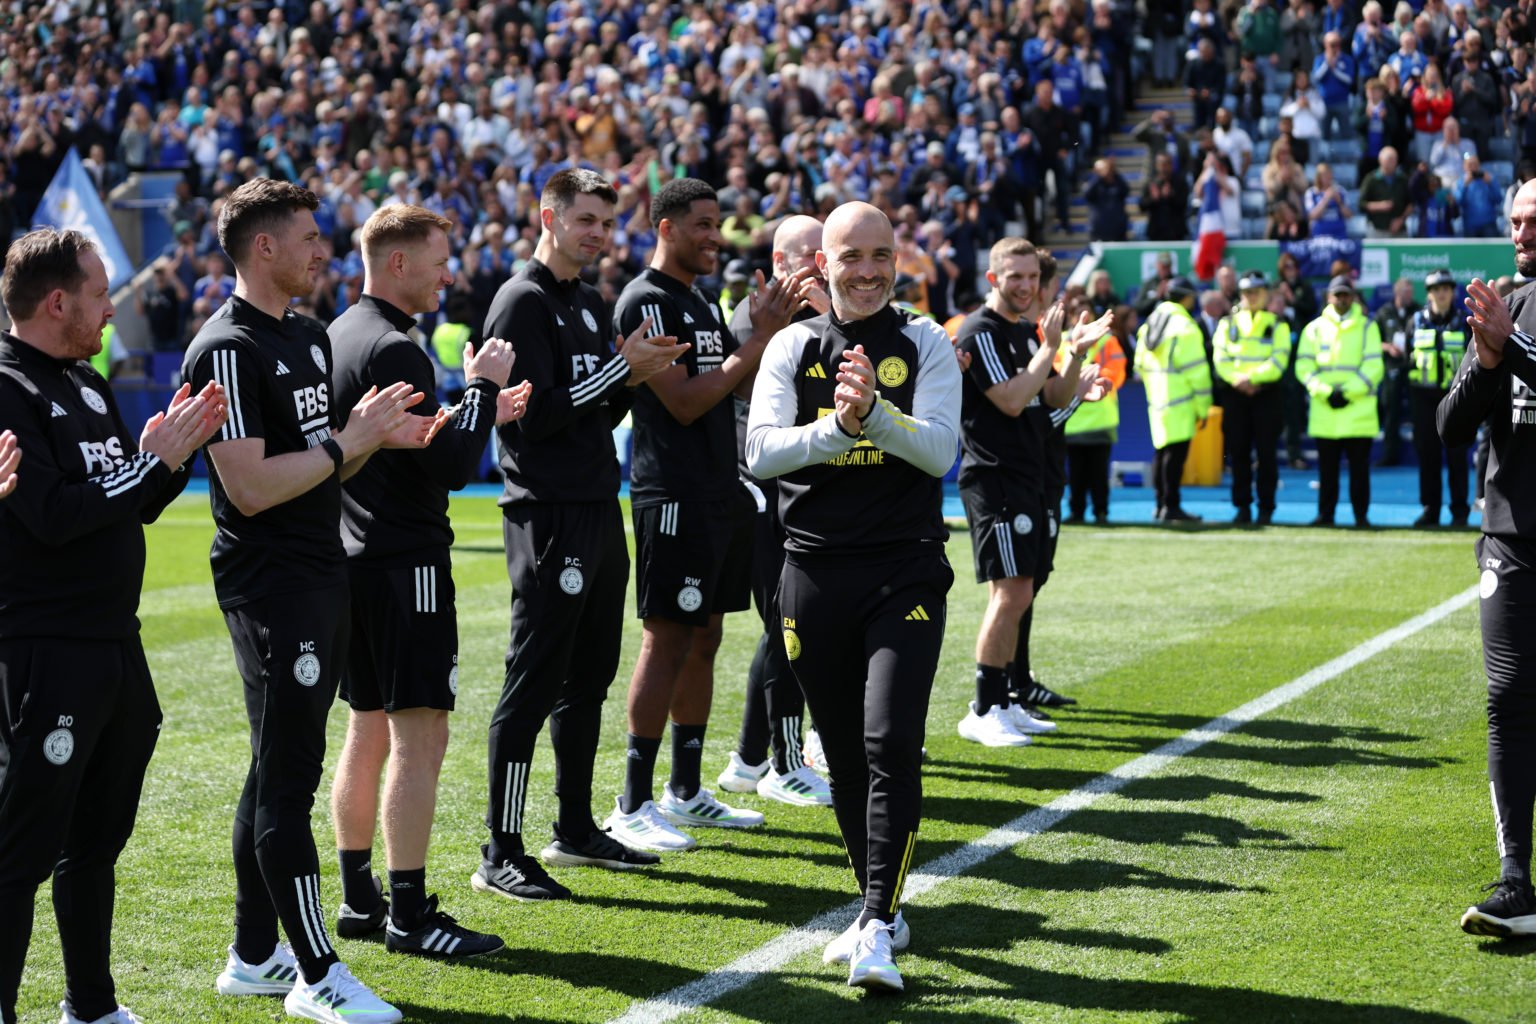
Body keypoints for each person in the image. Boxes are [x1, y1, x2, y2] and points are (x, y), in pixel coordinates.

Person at [183, 179, 434, 1024]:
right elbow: (251, 486)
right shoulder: (225, 347)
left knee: (272, 768)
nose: (322, 250)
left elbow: (325, 464)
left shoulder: (306, 335)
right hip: (271, 588)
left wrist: (368, 442)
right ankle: (317, 973)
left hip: (321, 573)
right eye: (308, 237)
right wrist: (347, 440)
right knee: (288, 782)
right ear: (264, 248)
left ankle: (255, 955)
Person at [0, 230, 224, 1024]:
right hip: (46, 651)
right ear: (57, 301)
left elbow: (126, 503)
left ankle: (91, 1006)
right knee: (18, 854)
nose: (109, 309)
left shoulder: (88, 384)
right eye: (99, 294)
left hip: (114, 648)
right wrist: (148, 462)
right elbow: (55, 517)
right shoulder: (7, 387)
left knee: (96, 842)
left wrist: (172, 458)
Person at [746, 201, 961, 992]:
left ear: (898, 258)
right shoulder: (793, 346)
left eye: (881, 254)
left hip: (903, 571)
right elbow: (762, 452)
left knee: (889, 741)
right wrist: (840, 431)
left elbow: (940, 452)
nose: (867, 271)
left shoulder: (926, 341)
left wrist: (875, 415)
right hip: (810, 574)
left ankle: (874, 919)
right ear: (822, 265)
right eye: (851, 256)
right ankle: (883, 902)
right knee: (840, 753)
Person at [325, 205, 530, 959]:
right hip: (405, 560)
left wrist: (478, 411)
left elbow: (407, 445)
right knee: (421, 735)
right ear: (400, 262)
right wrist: (481, 388)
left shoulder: (340, 333)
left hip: (353, 556)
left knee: (367, 725)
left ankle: (357, 897)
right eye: (440, 259)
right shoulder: (395, 346)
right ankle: (408, 914)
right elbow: (447, 470)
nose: (450, 272)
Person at [476, 169, 685, 901]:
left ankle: (572, 827)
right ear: (549, 217)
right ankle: (500, 848)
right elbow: (535, 415)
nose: (599, 233)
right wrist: (622, 373)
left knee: (589, 677)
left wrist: (627, 382)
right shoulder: (521, 300)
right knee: (532, 680)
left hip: (598, 506)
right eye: (587, 219)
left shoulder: (591, 302)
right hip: (547, 513)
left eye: (607, 221)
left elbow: (594, 415)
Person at [605, 178, 812, 853]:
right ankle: (632, 801)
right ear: (663, 227)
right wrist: (758, 341)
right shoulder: (646, 301)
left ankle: (685, 789)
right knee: (665, 639)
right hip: (671, 493)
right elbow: (688, 400)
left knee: (705, 638)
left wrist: (759, 334)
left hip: (718, 490)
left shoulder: (695, 299)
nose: (713, 235)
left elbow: (738, 384)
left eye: (717, 223)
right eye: (700, 223)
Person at [952, 238, 1109, 748]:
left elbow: (1053, 396)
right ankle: (983, 706)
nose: (1025, 285)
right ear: (992, 279)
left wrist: (1074, 353)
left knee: (1022, 591)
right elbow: (1013, 401)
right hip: (994, 477)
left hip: (1027, 476)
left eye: (1031, 278)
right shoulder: (981, 330)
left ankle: (1005, 700)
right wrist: (1051, 346)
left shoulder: (1023, 330)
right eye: (1013, 276)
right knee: (1011, 592)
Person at [1441, 177, 1536, 937]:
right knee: (1507, 698)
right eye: (1514, 220)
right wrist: (1485, 361)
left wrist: (1515, 349)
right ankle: (1516, 883)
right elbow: (1449, 422)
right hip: (1510, 535)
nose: (1521, 232)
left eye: (1533, 220)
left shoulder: (1516, 319)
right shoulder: (1505, 304)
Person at [717, 214, 832, 807]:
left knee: (789, 625)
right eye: (811, 253)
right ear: (782, 261)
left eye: (825, 253)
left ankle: (748, 757)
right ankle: (784, 762)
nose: (821, 264)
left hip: (797, 485)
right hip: (762, 487)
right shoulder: (759, 314)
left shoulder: (822, 315)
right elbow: (748, 391)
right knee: (788, 624)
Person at [1295, 276, 1384, 527]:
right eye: (1337, 294)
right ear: (1328, 297)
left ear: (1353, 297)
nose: (1341, 299)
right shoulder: (1313, 328)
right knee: (1327, 471)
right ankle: (1326, 515)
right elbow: (1303, 366)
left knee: (1359, 472)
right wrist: (1325, 391)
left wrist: (1345, 393)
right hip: (1327, 413)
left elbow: (1374, 366)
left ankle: (1360, 516)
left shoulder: (1367, 326)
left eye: (1345, 294)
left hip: (1357, 413)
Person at [1213, 271, 1292, 524]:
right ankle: (1243, 506)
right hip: (1236, 396)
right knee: (1239, 453)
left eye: (1256, 291)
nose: (1251, 296)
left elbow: (1279, 360)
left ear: (1266, 294)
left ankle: (1266, 507)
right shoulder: (1228, 324)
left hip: (1265, 395)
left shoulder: (1278, 324)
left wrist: (1252, 379)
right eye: (1247, 292)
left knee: (1267, 454)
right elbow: (1221, 358)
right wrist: (1238, 380)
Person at [1135, 276, 1212, 522]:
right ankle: (1172, 506)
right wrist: (1203, 408)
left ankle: (1160, 505)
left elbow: (1139, 364)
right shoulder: (1185, 327)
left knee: (1162, 453)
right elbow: (1197, 373)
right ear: (1187, 297)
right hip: (1181, 401)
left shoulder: (1150, 323)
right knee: (1175, 457)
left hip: (1157, 400)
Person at [1407, 269, 1470, 527]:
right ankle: (1430, 509)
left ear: (1453, 292)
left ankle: (1459, 512)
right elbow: (1405, 360)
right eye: (1436, 288)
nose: (1441, 293)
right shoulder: (1415, 321)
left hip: (1456, 398)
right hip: (1423, 399)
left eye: (1446, 288)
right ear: (1429, 293)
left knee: (1457, 457)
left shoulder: (1466, 321)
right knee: (1428, 456)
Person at [1065, 311, 1129, 524]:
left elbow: (1118, 373)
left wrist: (1087, 385)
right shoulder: (1061, 341)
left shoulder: (1108, 342)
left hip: (1100, 418)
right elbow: (1056, 373)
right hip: (1073, 422)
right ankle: (1077, 511)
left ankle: (1100, 512)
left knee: (1099, 473)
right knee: (1076, 474)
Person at [1374, 276, 1419, 466]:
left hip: (1413, 366)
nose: (1408, 296)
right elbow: (1374, 339)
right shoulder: (1384, 312)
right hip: (1391, 366)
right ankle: (1389, 454)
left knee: (1419, 411)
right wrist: (1388, 347)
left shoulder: (1417, 310)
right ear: (1396, 293)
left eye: (1410, 293)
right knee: (1391, 411)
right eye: (1404, 293)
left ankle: (1420, 453)